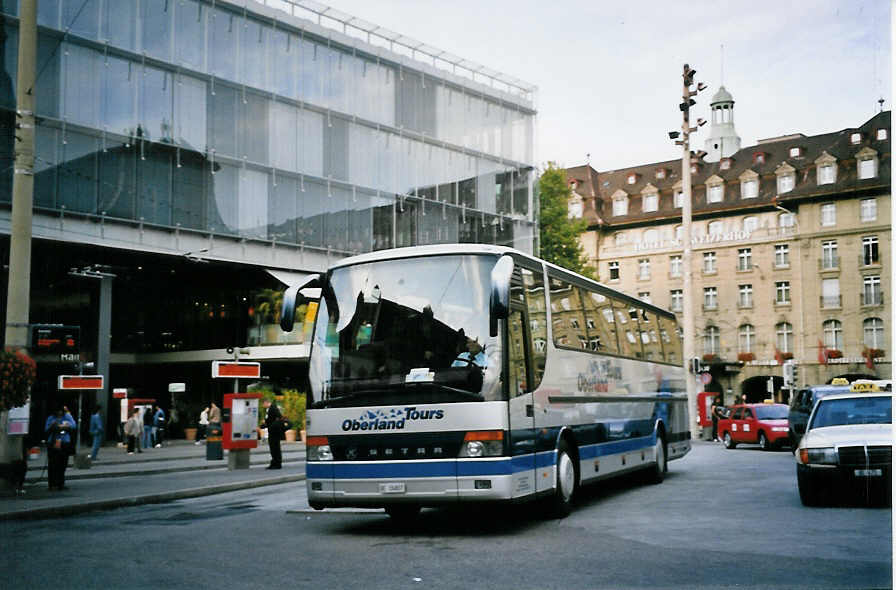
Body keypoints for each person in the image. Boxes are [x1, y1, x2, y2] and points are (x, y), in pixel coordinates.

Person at [45, 407, 77, 490]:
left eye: (60, 411)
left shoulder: (67, 416)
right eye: (57, 411)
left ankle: (60, 483)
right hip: (53, 442)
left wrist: (65, 426)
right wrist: (53, 425)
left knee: (62, 463)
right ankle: (51, 484)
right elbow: (46, 429)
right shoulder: (51, 418)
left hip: (64, 442)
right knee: (52, 464)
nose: (59, 413)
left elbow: (73, 425)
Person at [261, 399, 285, 469]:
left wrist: (271, 425)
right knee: (274, 448)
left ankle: (276, 463)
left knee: (275, 447)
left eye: (263, 404)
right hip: (272, 431)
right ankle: (275, 462)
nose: (263, 406)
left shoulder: (273, 408)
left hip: (274, 431)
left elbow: (279, 417)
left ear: (266, 402)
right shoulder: (270, 409)